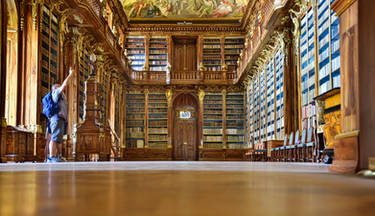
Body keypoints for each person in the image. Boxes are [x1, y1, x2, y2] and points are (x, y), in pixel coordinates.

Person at [47, 67, 74, 163]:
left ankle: (58, 156)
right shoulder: (55, 93)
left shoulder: (62, 97)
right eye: (59, 87)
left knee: (58, 139)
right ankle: (51, 157)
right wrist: (70, 74)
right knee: (54, 138)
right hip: (57, 118)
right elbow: (65, 84)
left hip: (61, 119)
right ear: (55, 88)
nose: (61, 88)